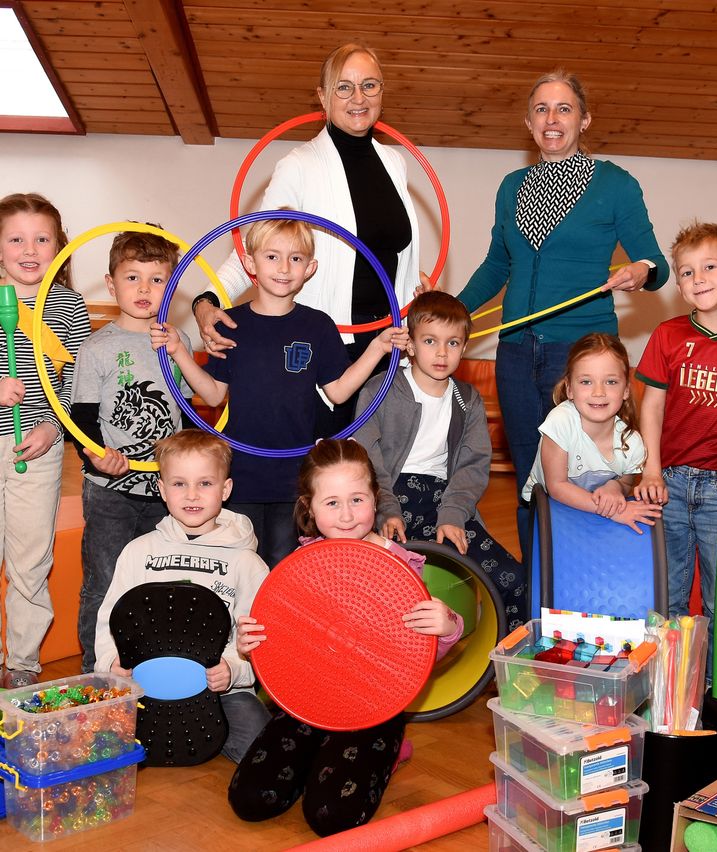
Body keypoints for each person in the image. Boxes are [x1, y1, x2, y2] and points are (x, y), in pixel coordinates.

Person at [456, 70, 669, 555]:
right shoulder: (511, 186)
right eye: (541, 109)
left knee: (585, 478)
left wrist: (640, 270)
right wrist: (452, 312)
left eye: (564, 109)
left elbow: (656, 265)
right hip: (513, 354)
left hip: (578, 359)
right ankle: (538, 587)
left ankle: (581, 578)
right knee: (532, 479)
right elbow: (497, 266)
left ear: (584, 120)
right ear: (529, 122)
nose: (552, 119)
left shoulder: (616, 184)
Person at [228, 438, 463, 835]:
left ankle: (386, 752)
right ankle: (321, 754)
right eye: (332, 503)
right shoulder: (301, 566)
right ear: (310, 508)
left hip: (373, 706)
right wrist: (251, 644)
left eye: (357, 499)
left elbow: (415, 656)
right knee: (251, 799)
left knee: (330, 817)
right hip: (309, 699)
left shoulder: (400, 566)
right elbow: (283, 643)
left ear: (375, 497)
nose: (348, 515)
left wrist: (447, 626)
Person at [151, 215, 408, 569]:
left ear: (310, 268)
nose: (284, 267)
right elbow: (212, 395)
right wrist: (179, 350)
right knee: (240, 565)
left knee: (285, 567)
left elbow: (338, 392)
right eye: (272, 257)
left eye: (296, 258)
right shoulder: (231, 323)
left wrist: (378, 347)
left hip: (295, 479)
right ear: (249, 263)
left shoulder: (317, 325)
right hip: (240, 475)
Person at [192, 42, 425, 432]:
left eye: (370, 85)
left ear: (382, 93)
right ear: (322, 95)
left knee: (371, 471)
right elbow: (257, 245)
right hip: (328, 346)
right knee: (323, 472)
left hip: (388, 342)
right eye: (344, 87)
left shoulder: (395, 162)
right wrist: (207, 301)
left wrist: (414, 282)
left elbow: (391, 250)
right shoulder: (299, 166)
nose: (358, 97)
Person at [634, 222, 717, 680]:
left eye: (709, 267)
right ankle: (670, 696)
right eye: (686, 272)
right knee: (667, 598)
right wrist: (650, 468)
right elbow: (651, 405)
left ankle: (715, 696)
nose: (698, 278)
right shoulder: (668, 335)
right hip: (668, 483)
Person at [94, 429, 270, 763]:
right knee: (92, 744)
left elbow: (259, 639)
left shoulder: (247, 562)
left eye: (205, 483)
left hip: (221, 695)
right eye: (179, 484)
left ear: (226, 489)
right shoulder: (138, 552)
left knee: (263, 752)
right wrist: (111, 664)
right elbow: (110, 623)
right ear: (162, 490)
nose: (192, 494)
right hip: (143, 690)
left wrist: (233, 670)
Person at [354, 290, 525, 629]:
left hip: (444, 501)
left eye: (453, 343)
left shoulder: (468, 400)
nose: (442, 353)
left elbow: (472, 466)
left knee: (513, 580)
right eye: (430, 341)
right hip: (388, 498)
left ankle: (504, 665)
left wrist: (453, 515)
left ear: (464, 347)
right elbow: (366, 461)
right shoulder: (380, 390)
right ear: (411, 345)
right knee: (386, 595)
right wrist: (386, 509)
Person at [71, 229, 194, 673]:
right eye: (133, 278)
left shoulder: (177, 343)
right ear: (111, 284)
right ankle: (97, 671)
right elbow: (80, 418)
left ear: (172, 285)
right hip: (111, 491)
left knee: (159, 582)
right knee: (104, 583)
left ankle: (151, 666)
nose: (145, 290)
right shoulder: (97, 347)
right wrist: (94, 452)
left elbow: (189, 411)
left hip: (165, 493)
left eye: (157, 280)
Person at [0, 192, 90, 690]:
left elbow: (76, 381)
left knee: (31, 557)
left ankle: (22, 662)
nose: (29, 249)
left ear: (59, 246)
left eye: (42, 238)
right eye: (16, 238)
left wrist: (53, 426)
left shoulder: (68, 305)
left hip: (39, 446)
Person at [524, 332, 661, 534]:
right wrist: (612, 512)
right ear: (569, 389)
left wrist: (614, 488)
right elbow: (557, 487)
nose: (599, 392)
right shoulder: (561, 422)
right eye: (586, 382)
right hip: (550, 510)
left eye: (611, 382)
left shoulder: (632, 443)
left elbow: (626, 482)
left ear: (626, 390)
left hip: (592, 511)